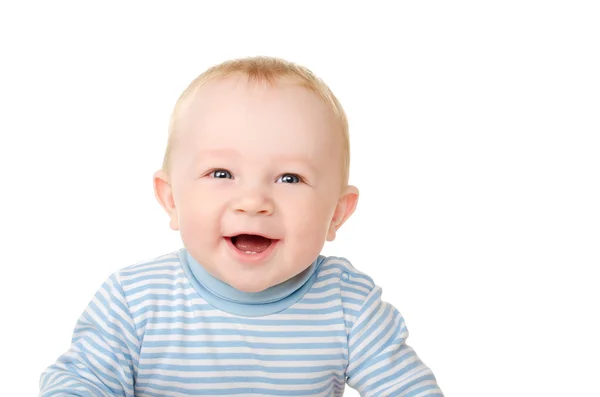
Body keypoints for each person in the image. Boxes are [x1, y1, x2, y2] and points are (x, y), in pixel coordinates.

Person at [39, 56, 443, 396]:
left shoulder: (348, 305)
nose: (253, 202)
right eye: (221, 173)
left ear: (337, 213)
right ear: (172, 198)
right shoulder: (136, 300)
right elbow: (79, 383)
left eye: (289, 178)